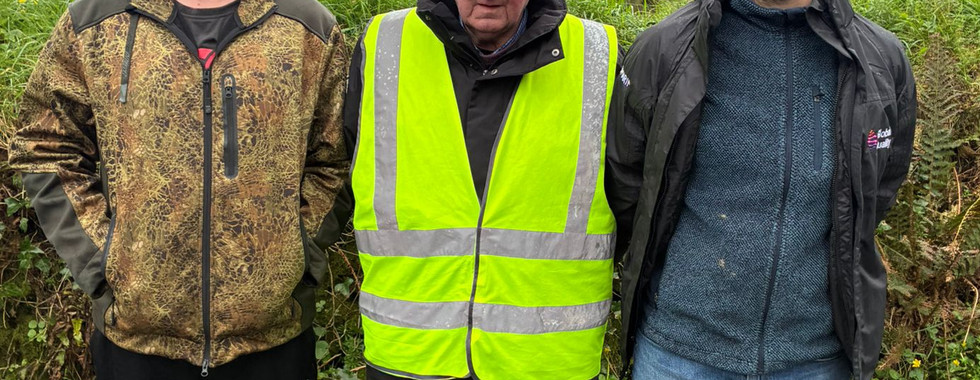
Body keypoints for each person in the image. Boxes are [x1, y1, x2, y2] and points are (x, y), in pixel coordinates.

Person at [8, 0, 349, 378]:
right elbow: (45, 145)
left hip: (273, 343)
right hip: (136, 344)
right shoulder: (94, 22)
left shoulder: (307, 26)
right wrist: (99, 260)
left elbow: (338, 157)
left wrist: (299, 252)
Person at [609, 0, 917, 378]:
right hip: (679, 354)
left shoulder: (881, 61)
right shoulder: (665, 49)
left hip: (816, 358)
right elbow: (629, 188)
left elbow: (878, 188)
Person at [341, 0, 623, 378]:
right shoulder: (382, 44)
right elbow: (334, 176)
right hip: (407, 355)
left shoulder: (598, 55)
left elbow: (635, 202)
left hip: (547, 361)